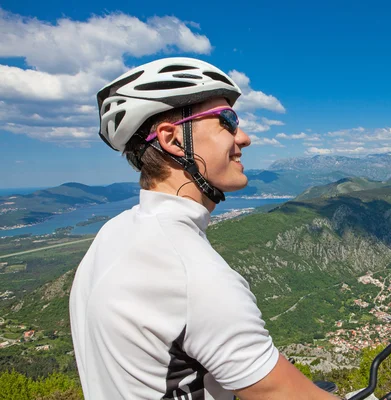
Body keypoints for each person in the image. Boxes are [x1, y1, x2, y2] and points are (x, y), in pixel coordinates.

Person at [69, 58, 341, 400]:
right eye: (227, 121)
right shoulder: (193, 274)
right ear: (173, 140)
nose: (244, 137)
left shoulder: (113, 235)